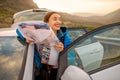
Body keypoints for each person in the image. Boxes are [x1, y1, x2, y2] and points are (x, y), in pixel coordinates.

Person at [16, 11, 72, 80]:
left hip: (57, 71)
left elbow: (71, 54)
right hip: (41, 70)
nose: (59, 22)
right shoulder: (38, 32)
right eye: (55, 19)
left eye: (59, 19)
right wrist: (25, 38)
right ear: (47, 22)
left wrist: (63, 51)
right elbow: (19, 30)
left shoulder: (65, 36)